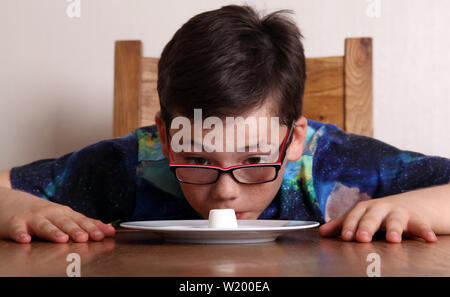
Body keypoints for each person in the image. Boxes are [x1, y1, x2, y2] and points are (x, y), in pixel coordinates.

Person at [0, 5, 449, 244]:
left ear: (292, 138)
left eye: (254, 158)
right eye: (197, 158)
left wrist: (417, 210)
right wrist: (14, 210)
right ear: (164, 137)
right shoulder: (130, 165)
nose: (226, 191)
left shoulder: (338, 165)